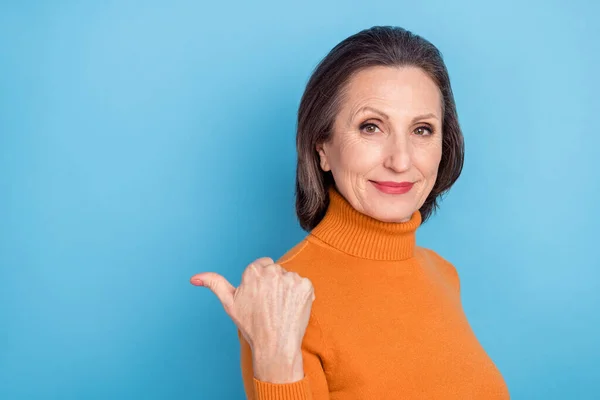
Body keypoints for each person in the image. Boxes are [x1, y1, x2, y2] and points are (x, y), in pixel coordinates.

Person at [190, 25, 510, 399]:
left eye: (422, 129)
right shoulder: (282, 301)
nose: (401, 160)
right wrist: (276, 361)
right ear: (322, 147)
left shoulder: (443, 273)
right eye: (371, 127)